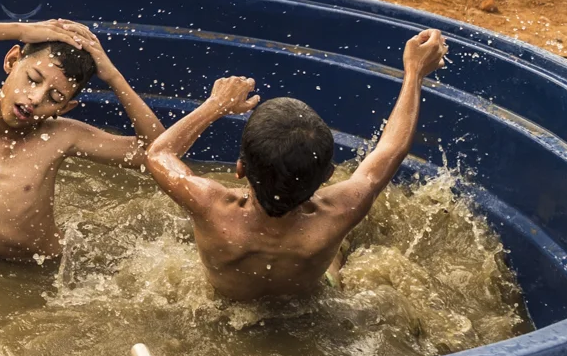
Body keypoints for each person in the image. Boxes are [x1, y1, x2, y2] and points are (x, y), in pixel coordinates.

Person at [145, 29, 450, 302]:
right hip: (311, 303)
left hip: (226, 307)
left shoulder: (211, 206)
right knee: (338, 252)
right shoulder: (339, 211)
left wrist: (215, 105)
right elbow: (391, 149)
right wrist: (414, 74)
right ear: (328, 176)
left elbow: (159, 154)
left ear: (239, 168)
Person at [0, 17, 165, 261]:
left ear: (64, 109)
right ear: (13, 61)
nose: (35, 99)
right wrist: (19, 29)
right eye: (33, 79)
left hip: (40, 272)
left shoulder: (60, 136)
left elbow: (158, 152)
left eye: (55, 98)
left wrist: (113, 76)